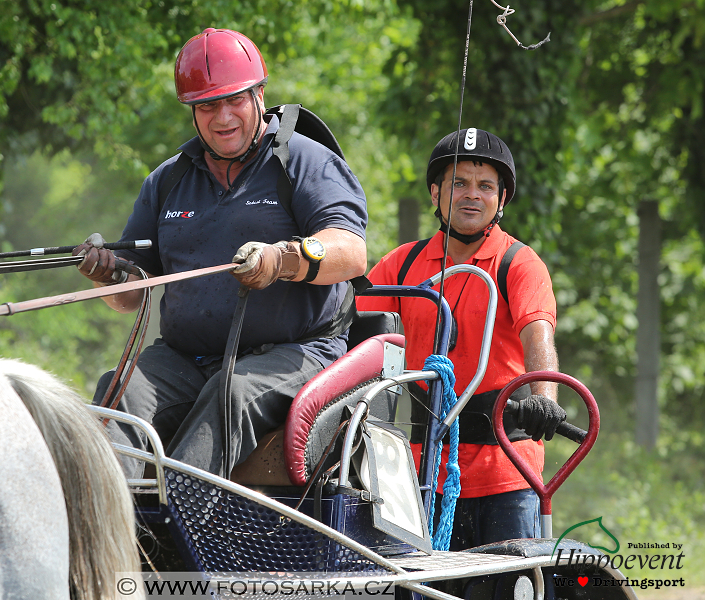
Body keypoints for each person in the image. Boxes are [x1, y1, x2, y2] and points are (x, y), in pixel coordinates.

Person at [73, 28, 368, 478]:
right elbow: (129, 298)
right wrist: (107, 276)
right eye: (208, 105)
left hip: (297, 353)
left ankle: (178, 526)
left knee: (231, 394)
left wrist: (282, 259)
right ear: (193, 112)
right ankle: (111, 529)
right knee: (118, 391)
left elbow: (351, 252)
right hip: (183, 358)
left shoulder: (306, 162)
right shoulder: (167, 181)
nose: (223, 116)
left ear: (260, 95)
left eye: (235, 100)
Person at [356, 128, 565, 550]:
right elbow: (349, 329)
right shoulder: (404, 263)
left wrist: (545, 397)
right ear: (435, 193)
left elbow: (538, 336)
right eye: (459, 183)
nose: (473, 195)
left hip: (505, 470)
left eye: (486, 186)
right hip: (416, 471)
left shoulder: (518, 264)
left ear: (501, 200)